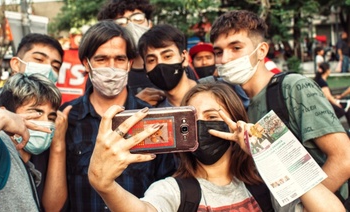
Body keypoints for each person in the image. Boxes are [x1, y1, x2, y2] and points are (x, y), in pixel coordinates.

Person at [87, 83, 345, 211]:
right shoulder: (174, 191)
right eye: (191, 120)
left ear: (236, 122)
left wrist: (265, 149)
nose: (201, 125)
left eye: (212, 117)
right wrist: (105, 185)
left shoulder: (267, 186)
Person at [210, 10, 350, 199]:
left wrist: (305, 207)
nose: (224, 59)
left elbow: (344, 159)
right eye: (218, 52)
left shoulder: (294, 88)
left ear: (261, 51)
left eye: (236, 48)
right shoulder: (240, 105)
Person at [61, 20, 176, 211]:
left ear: (130, 64)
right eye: (101, 59)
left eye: (120, 59)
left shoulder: (152, 118)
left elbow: (166, 186)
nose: (112, 67)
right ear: (86, 64)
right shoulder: (67, 117)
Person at [0, 73, 69, 211]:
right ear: (7, 113)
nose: (46, 123)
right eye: (36, 113)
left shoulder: (27, 167)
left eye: (51, 117)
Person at [97, 0, 165, 106]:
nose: (131, 26)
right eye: (121, 23)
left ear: (150, 24)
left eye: (138, 19)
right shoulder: (103, 72)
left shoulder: (172, 64)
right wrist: (134, 102)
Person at [138, 24, 197, 107]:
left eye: (167, 56)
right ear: (145, 68)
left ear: (184, 57)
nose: (160, 64)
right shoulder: (152, 112)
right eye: (151, 60)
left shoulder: (212, 98)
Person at [189, 42, 250, 108]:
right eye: (199, 59)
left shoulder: (230, 82)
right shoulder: (190, 85)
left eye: (208, 58)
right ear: (192, 64)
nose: (204, 62)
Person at [314, 62, 350, 129]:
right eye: (329, 69)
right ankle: (329, 124)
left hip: (326, 102)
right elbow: (328, 96)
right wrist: (336, 103)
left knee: (347, 110)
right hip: (326, 104)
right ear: (327, 70)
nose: (330, 71)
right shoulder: (322, 81)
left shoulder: (320, 80)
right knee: (342, 110)